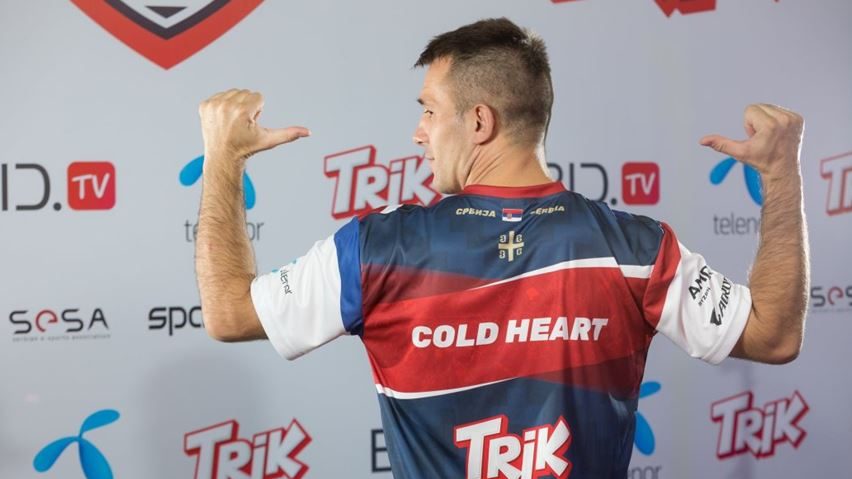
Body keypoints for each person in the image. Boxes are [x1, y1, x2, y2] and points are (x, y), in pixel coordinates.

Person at [194, 17, 808, 479]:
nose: (418, 133)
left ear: (479, 122)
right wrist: (780, 174)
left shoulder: (377, 248)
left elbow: (227, 313)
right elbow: (773, 336)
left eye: (429, 111)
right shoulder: (635, 248)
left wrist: (224, 157)